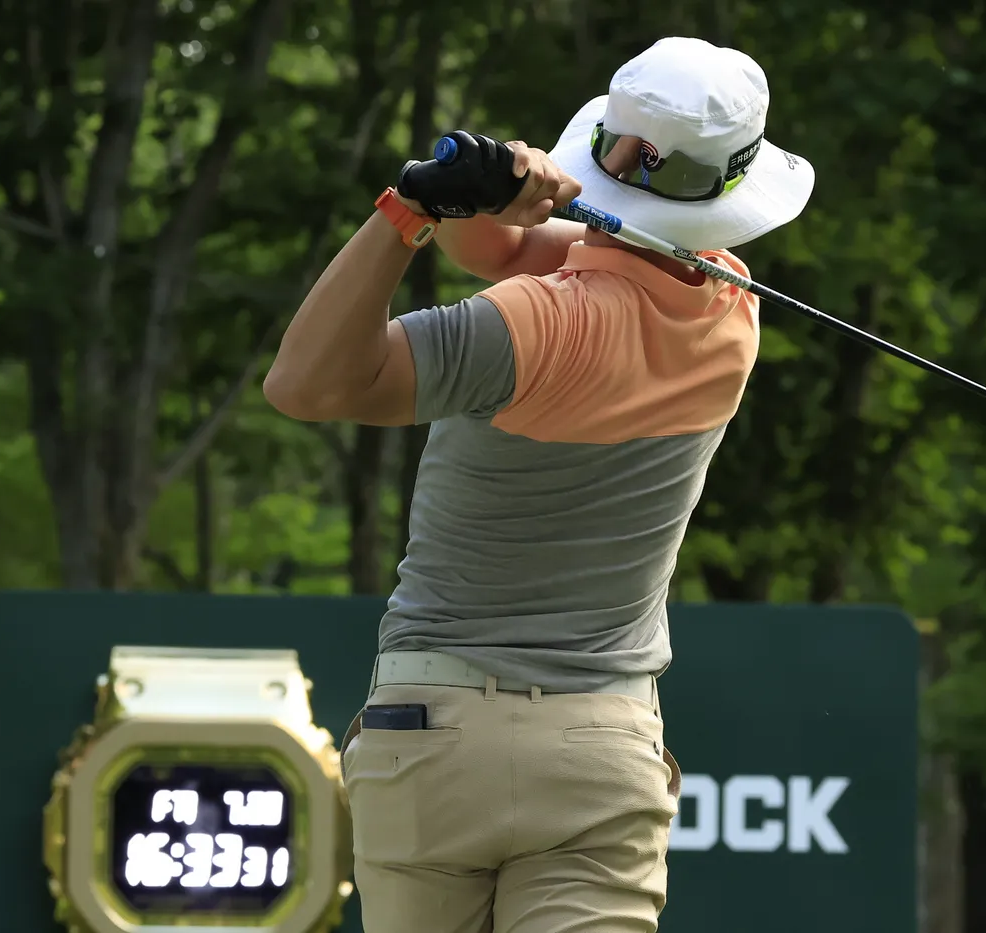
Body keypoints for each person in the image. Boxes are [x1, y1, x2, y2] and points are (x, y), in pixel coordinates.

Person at [264, 35, 814, 933]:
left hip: (431, 738)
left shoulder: (523, 326)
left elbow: (305, 384)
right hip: (599, 751)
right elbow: (509, 248)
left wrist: (409, 209)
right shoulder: (731, 308)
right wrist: (493, 199)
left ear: (608, 150)